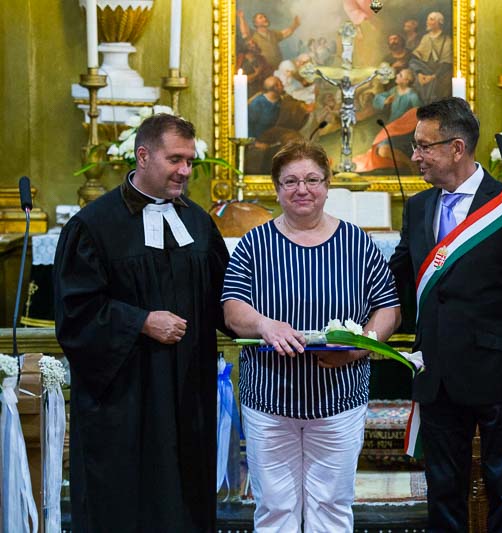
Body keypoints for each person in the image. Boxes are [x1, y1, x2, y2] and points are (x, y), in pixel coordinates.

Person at [53, 113, 230, 532]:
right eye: (175, 159)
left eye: (190, 161)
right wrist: (140, 321)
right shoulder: (93, 226)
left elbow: (226, 299)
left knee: (186, 496)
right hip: (124, 398)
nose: (185, 170)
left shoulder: (197, 222)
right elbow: (75, 313)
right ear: (143, 156)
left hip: (187, 392)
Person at [389, 97, 502, 531]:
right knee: (443, 493)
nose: (415, 156)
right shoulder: (418, 207)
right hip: (436, 375)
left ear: (457, 148)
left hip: (498, 375)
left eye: (424, 146)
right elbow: (397, 277)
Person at [222, 140, 401, 531]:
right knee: (275, 510)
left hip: (338, 398)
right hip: (270, 399)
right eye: (290, 181)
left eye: (312, 180)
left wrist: (357, 349)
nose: (302, 189)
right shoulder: (254, 244)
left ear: (327, 184)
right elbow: (232, 308)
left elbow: (388, 308)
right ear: (276, 188)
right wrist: (265, 325)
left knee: (331, 508)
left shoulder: (356, 243)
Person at [409, 11, 453, 104]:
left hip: (438, 73)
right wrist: (419, 74)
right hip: (424, 70)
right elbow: (416, 56)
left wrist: (432, 77)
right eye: (428, 19)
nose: (427, 22)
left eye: (431, 19)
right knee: (412, 62)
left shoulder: (447, 40)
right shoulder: (425, 37)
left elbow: (447, 63)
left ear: (439, 22)